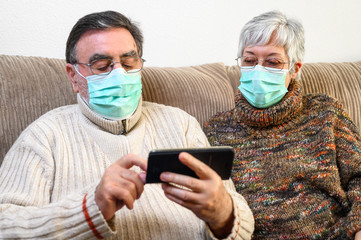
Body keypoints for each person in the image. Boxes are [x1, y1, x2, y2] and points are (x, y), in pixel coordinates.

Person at [0, 11, 254, 239]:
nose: (119, 74)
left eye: (129, 63)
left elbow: (238, 216)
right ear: (73, 76)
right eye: (102, 66)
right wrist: (90, 209)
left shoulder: (181, 123)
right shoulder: (45, 136)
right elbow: (5, 225)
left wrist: (224, 215)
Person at [203, 10, 361, 240]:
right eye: (249, 60)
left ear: (295, 69)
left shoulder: (326, 113)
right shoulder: (215, 131)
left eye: (272, 62)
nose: (258, 70)